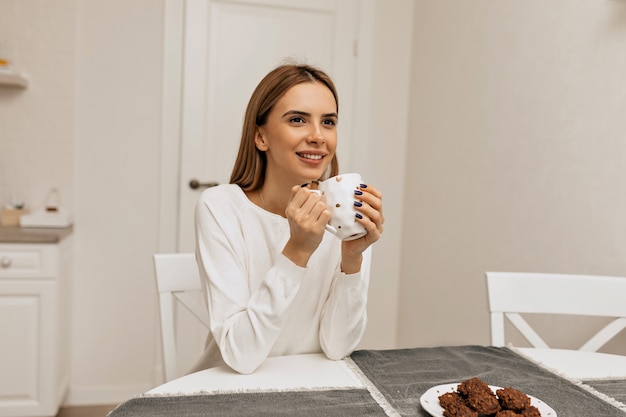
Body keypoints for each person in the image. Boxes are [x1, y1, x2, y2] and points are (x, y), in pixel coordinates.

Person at [193, 63, 384, 374]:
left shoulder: (347, 212)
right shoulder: (220, 206)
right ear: (261, 137)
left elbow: (337, 349)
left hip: (311, 391)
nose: (318, 137)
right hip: (228, 391)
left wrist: (352, 259)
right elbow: (241, 356)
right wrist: (297, 251)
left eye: (329, 122)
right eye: (298, 120)